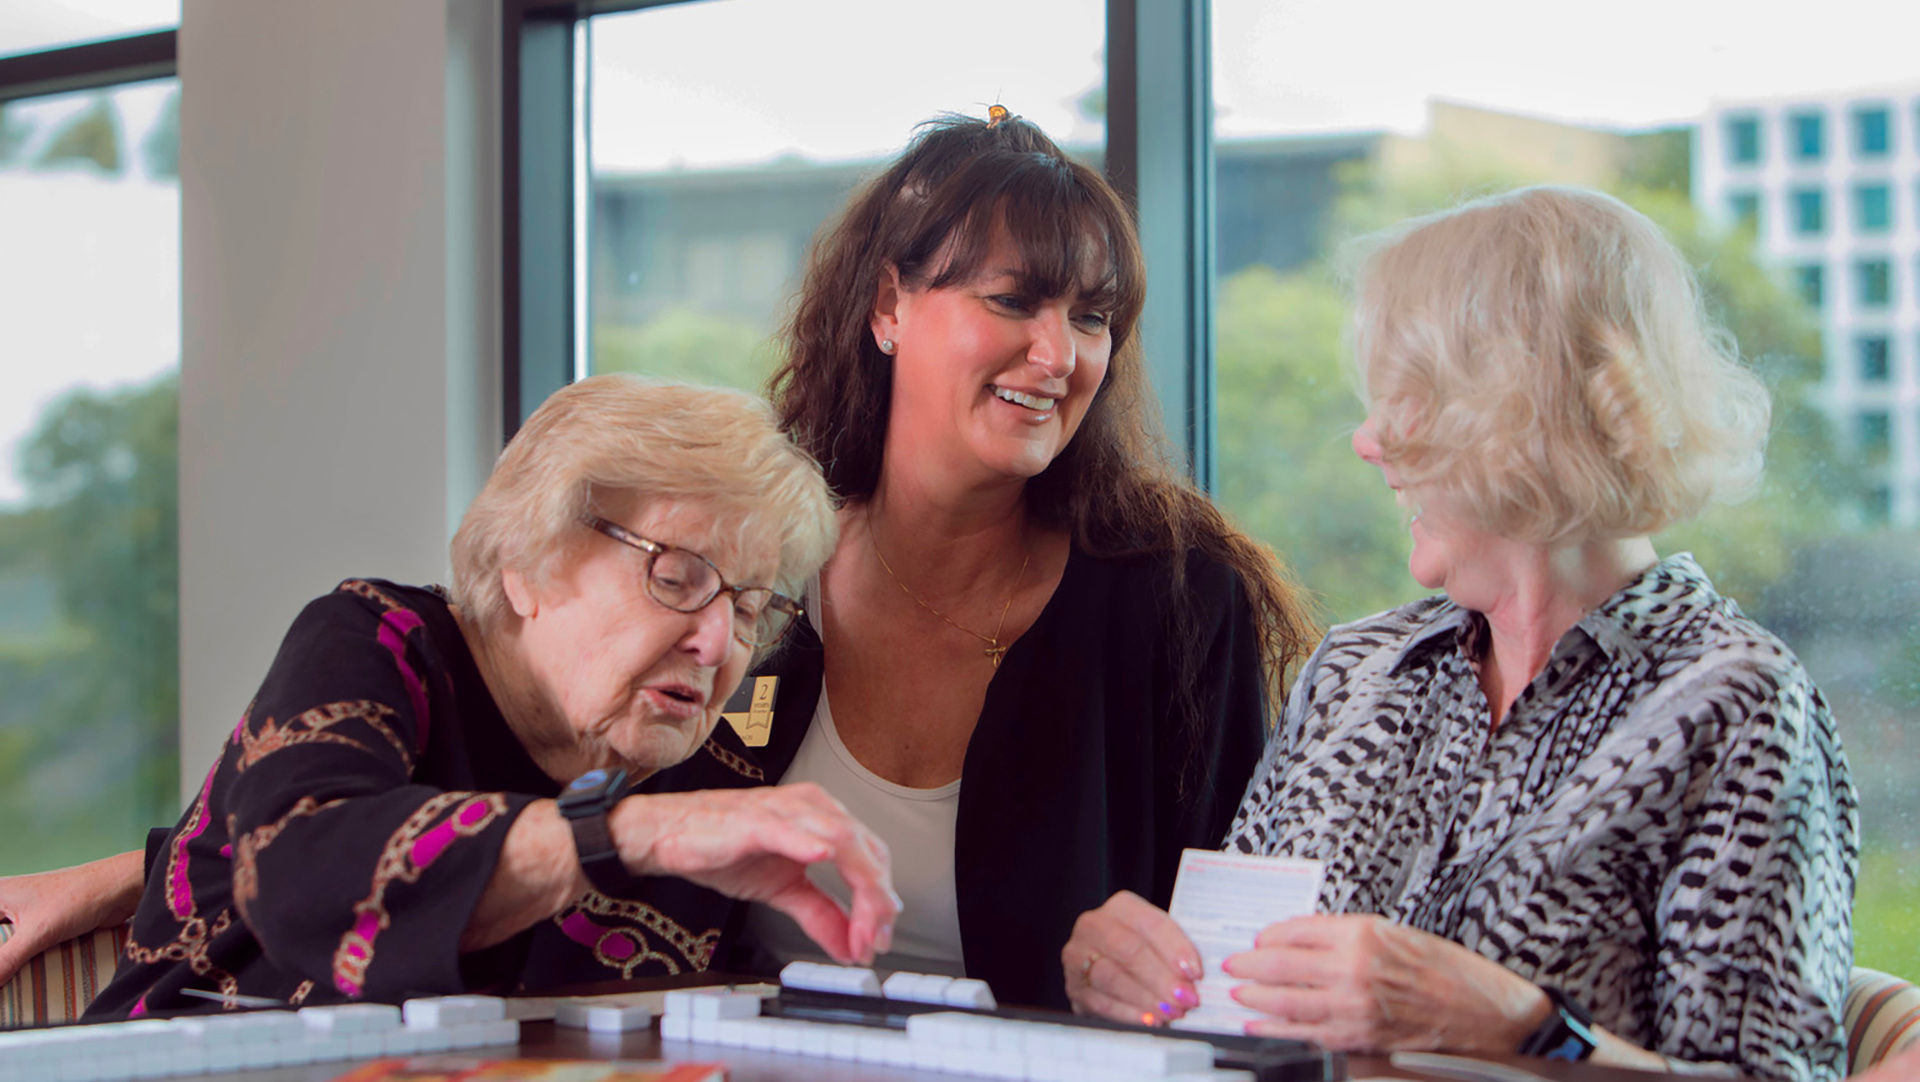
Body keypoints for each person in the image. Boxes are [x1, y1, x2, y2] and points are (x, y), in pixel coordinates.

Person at [0, 110, 1315, 1012]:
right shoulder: (740, 557)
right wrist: (123, 873)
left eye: (1095, 316)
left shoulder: (1167, 590)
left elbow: (1239, 910)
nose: (1060, 352)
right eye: (1014, 299)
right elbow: (371, 806)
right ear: (889, 305)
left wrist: (1165, 974)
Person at [1061, 187, 1858, 1082]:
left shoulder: (1735, 701)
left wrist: (1526, 1028)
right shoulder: (1356, 670)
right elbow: (1234, 1013)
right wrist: (1134, 978)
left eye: (1405, 399)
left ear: (1518, 408)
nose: (1365, 441)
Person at [73, 376, 896, 1016]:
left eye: (750, 609)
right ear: (526, 562)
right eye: (676, 578)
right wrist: (622, 832)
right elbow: (299, 865)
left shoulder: (706, 757)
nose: (718, 644)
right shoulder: (378, 643)